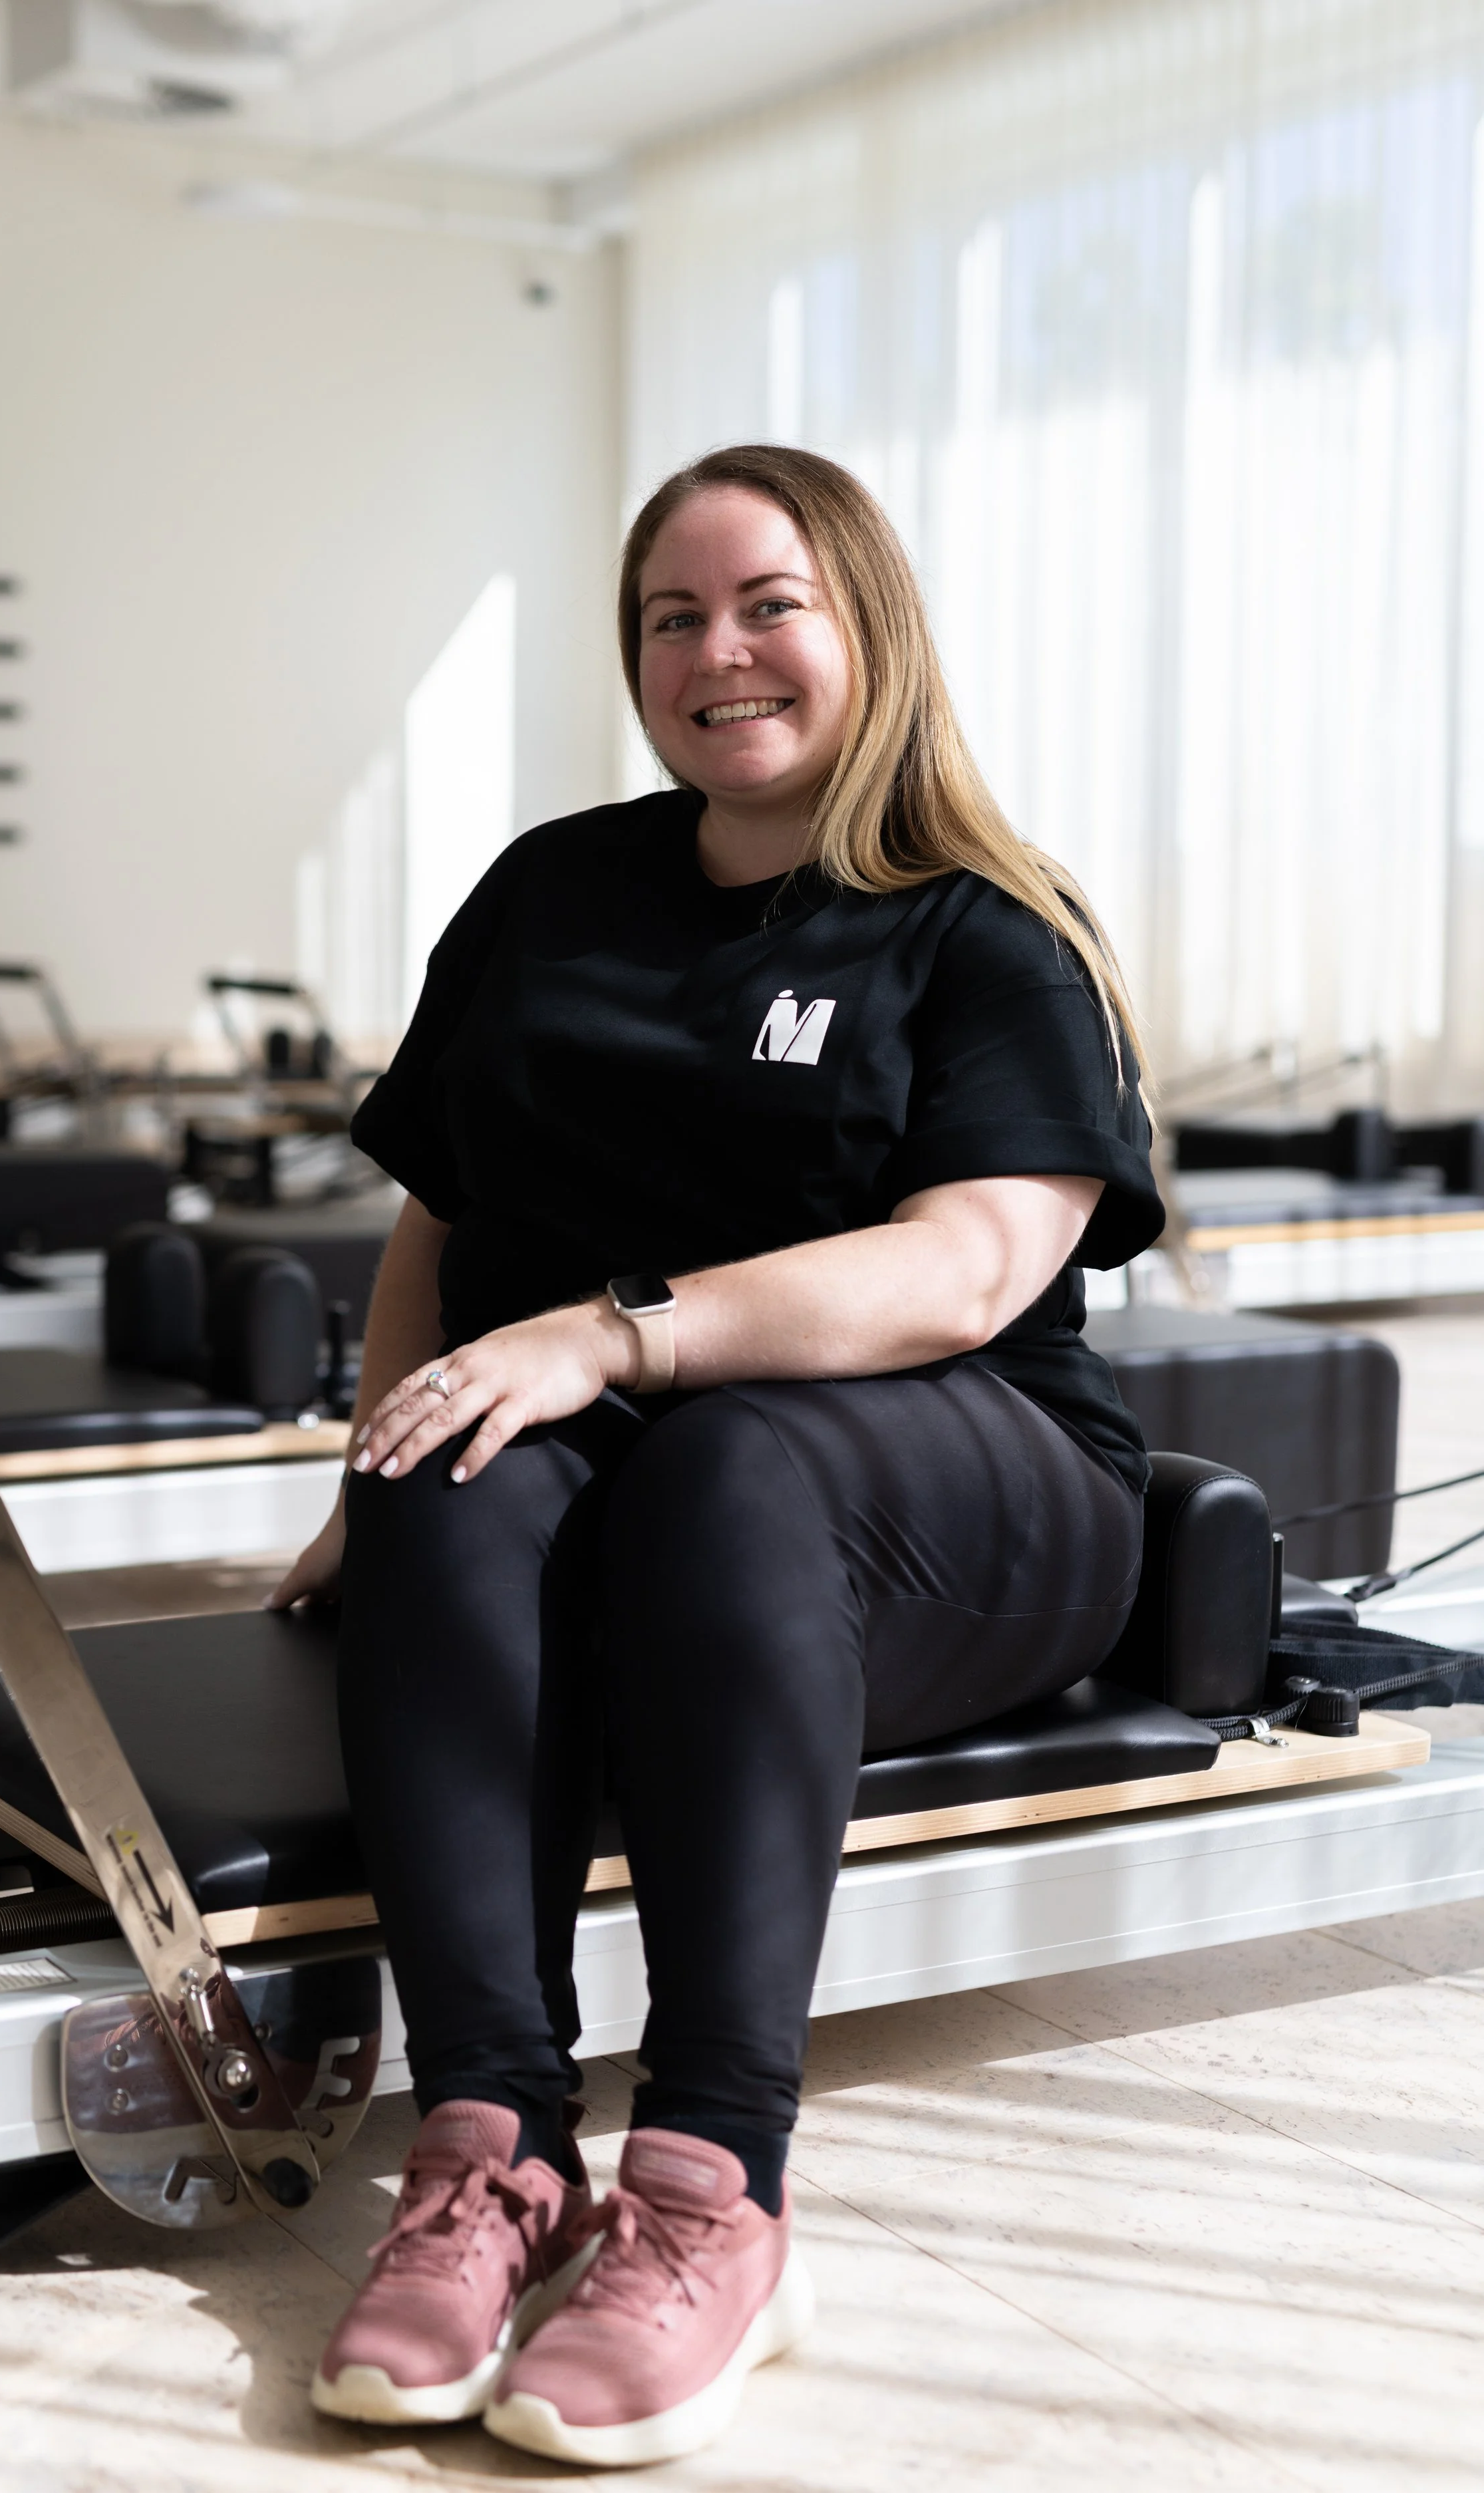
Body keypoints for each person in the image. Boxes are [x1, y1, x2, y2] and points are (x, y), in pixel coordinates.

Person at [270, 444, 1163, 2467]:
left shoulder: (980, 930)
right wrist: (373, 1465)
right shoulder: (552, 891)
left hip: (972, 1490)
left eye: (768, 603)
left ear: (867, 628)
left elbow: (962, 1269)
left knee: (728, 1454)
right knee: (456, 1468)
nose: (717, 650)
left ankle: (716, 2192)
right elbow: (440, 1215)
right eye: (672, 615)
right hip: (655, 1475)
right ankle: (490, 2149)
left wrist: (614, 1332)